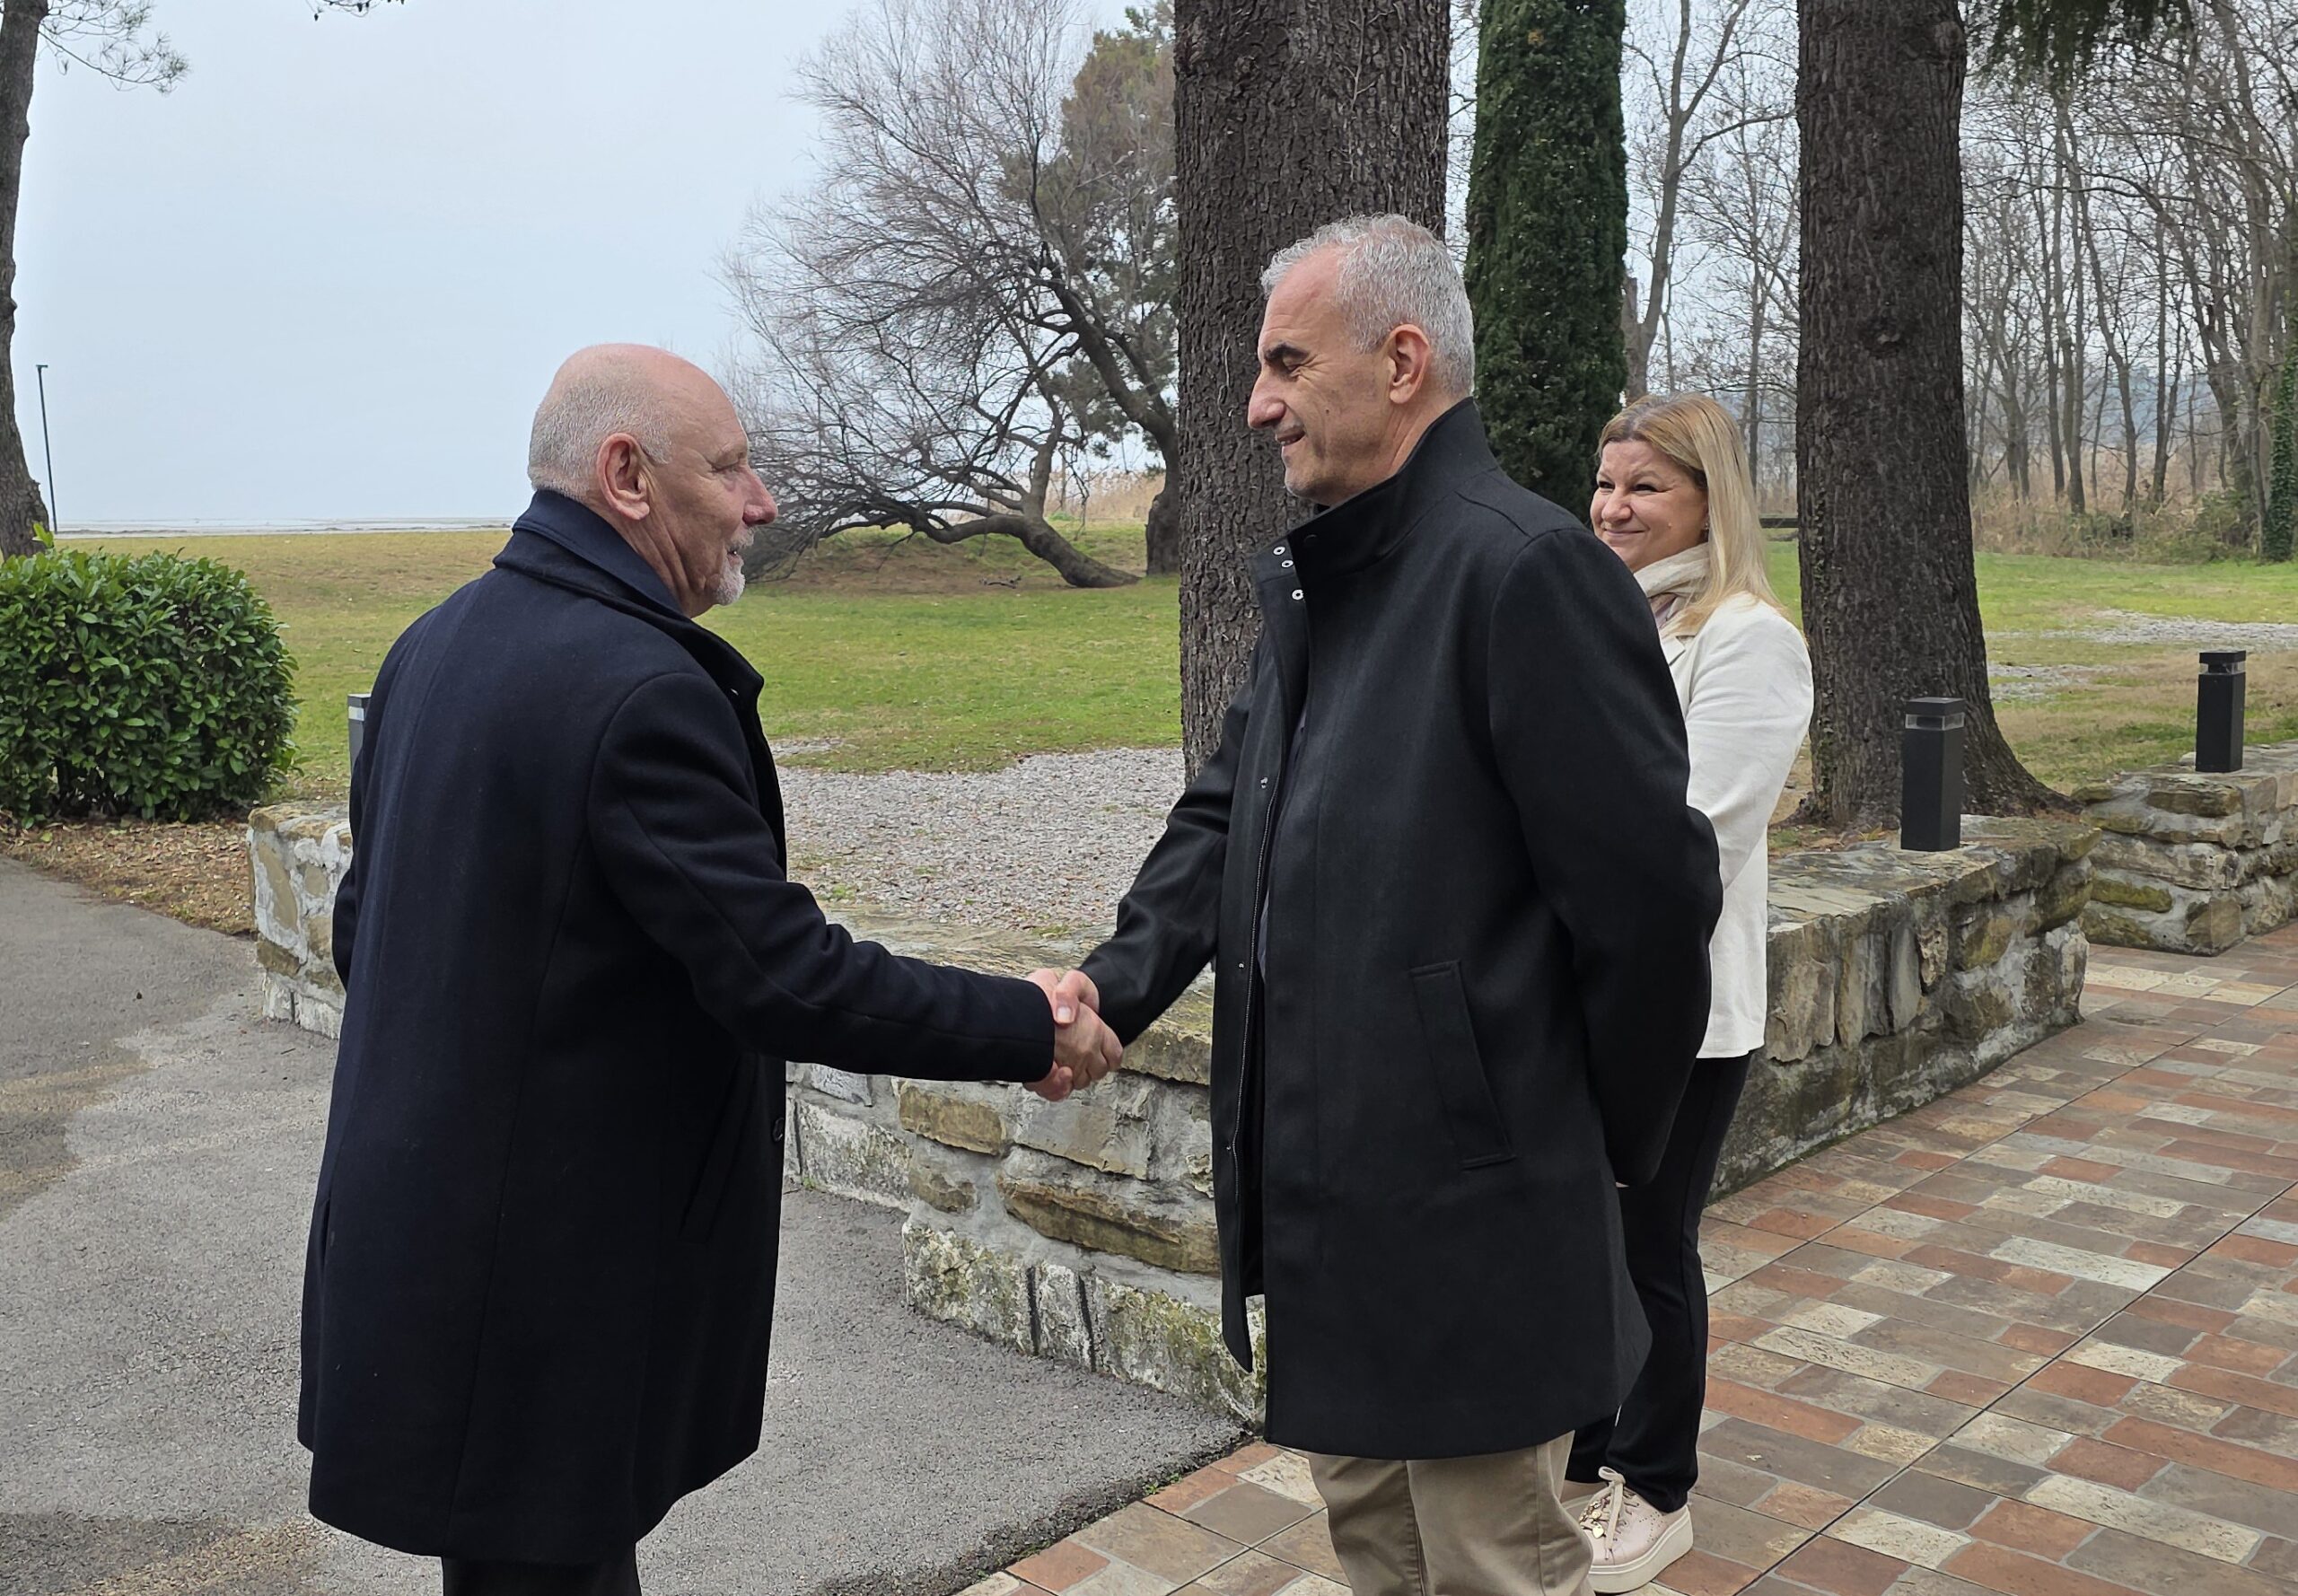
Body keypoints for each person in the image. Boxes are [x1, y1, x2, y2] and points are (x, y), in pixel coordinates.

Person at [298, 345, 1119, 1596]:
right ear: (627, 475)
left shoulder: (432, 646)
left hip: (424, 1252)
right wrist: (1028, 1024)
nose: (762, 501)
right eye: (730, 468)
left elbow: (366, 933)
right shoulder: (637, 691)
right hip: (539, 1289)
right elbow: (784, 975)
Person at [1061, 216, 1722, 1596]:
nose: (1260, 404)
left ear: (1403, 361)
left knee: (1487, 1570)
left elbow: (1654, 906)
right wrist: (1107, 991)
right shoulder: (1328, 574)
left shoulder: (1525, 570)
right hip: (1336, 1219)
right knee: (1381, 1559)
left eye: (1288, 363)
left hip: (1477, 1229)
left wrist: (1577, 1136)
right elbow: (1225, 811)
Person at [1567, 393, 1813, 1592]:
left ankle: (1656, 1488)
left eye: (1646, 487)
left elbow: (1694, 838)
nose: (1614, 508)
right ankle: (1581, 1448)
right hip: (1570, 993)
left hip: (1676, 1009)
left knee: (1649, 1245)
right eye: (1606, 484)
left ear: (1711, 501)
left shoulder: (1747, 638)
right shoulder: (1600, 618)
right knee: (1578, 1236)